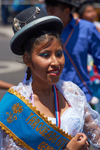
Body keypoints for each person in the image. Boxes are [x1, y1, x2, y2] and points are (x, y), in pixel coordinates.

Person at [0, 6, 100, 150]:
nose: (55, 62)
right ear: (27, 59)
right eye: (45, 55)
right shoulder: (13, 105)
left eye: (59, 54)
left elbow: (96, 135)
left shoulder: (71, 92)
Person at [45, 0, 100, 105]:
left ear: (66, 11)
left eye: (52, 10)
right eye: (46, 9)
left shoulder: (87, 28)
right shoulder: (44, 30)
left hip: (80, 93)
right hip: (50, 94)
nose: (48, 14)